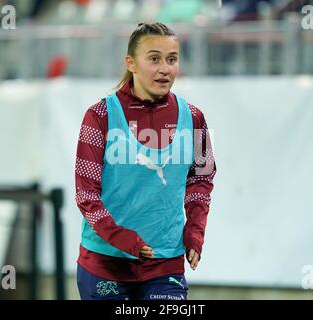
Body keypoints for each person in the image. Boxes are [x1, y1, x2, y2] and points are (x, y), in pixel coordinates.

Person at [74, 22, 216, 300]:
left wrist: (194, 232)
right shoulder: (99, 116)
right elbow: (86, 194)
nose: (165, 68)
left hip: (165, 263)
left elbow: (201, 179)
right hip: (105, 264)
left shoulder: (194, 117)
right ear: (132, 63)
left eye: (172, 59)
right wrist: (124, 239)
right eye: (154, 59)